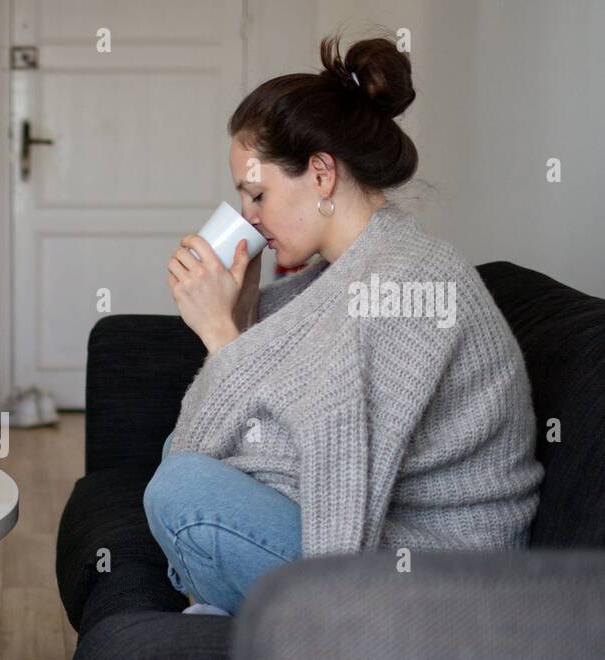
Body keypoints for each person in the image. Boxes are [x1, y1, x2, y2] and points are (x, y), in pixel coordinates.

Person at [144, 31, 543, 616]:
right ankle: (222, 602)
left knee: (182, 489)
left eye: (257, 195)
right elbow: (278, 427)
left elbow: (341, 507)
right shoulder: (346, 273)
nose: (250, 219)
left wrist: (220, 338)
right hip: (374, 534)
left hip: (440, 583)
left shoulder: (407, 286)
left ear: (322, 175)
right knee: (182, 456)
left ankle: (230, 611)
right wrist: (243, 317)